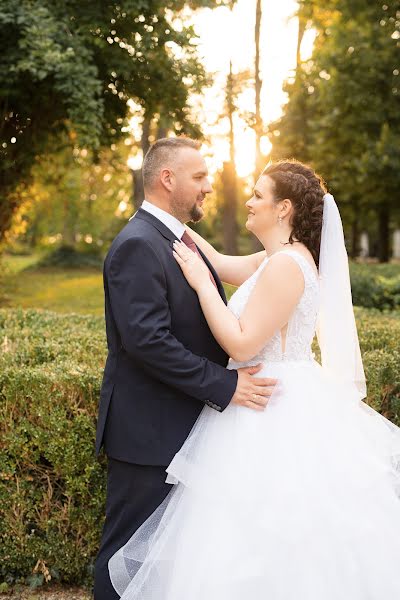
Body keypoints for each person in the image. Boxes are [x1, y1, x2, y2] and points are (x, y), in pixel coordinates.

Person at [108, 159, 400, 599]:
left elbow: (242, 346)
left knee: (261, 532)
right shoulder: (277, 257)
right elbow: (223, 262)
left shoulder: (287, 266)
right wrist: (171, 224)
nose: (248, 200)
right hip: (266, 397)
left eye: (258, 195)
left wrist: (202, 286)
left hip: (271, 405)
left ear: (283, 209)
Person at [93, 137, 277, 600]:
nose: (208, 188)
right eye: (199, 177)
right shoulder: (138, 244)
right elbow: (147, 342)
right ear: (166, 178)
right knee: (125, 561)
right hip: (149, 433)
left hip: (186, 426)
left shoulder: (177, 238)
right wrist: (225, 385)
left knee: (169, 564)